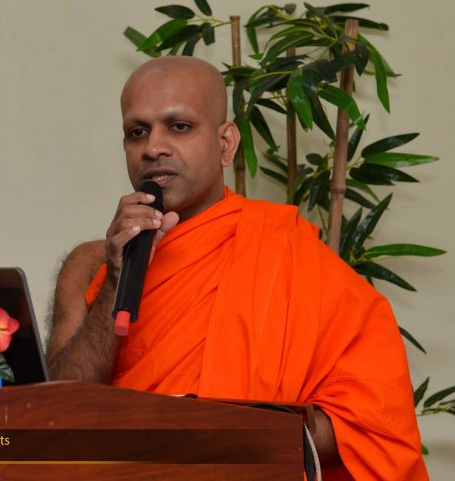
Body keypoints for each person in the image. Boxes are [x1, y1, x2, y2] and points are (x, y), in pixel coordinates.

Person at [45, 56, 427, 480]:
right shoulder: (91, 265)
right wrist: (116, 281)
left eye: (179, 126)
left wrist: (221, 435)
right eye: (138, 132)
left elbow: (370, 421)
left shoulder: (288, 254)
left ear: (226, 144)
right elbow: (54, 416)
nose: (153, 147)